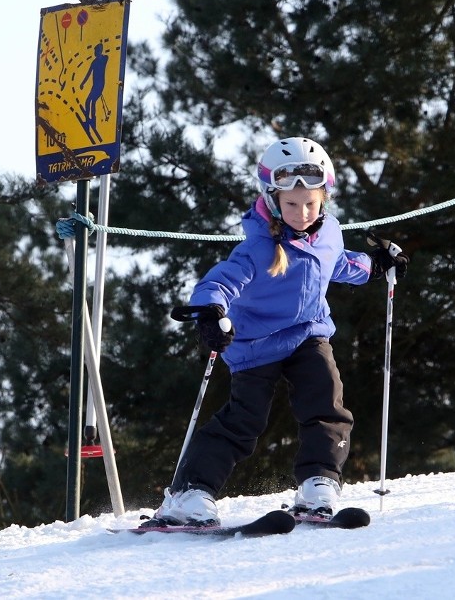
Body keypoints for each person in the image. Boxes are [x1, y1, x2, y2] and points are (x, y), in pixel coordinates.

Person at [145, 137, 410, 527]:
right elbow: (222, 281)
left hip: (308, 334)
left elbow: (335, 264)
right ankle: (191, 494)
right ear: (272, 200)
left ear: (324, 199)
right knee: (244, 420)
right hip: (255, 344)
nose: (302, 213)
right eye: (291, 204)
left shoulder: (329, 233)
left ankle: (319, 483)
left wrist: (373, 265)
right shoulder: (259, 248)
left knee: (326, 398)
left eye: (310, 204)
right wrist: (210, 311)